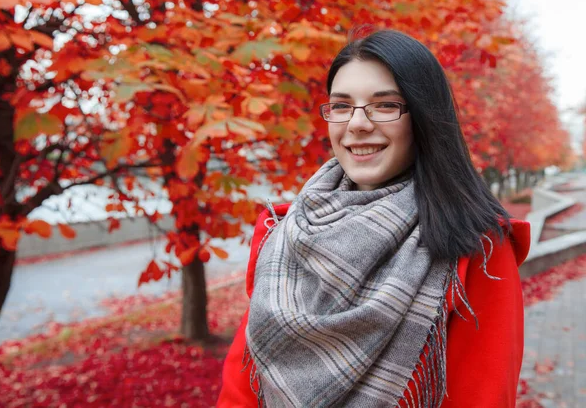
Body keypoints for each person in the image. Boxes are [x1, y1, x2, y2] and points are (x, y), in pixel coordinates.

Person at [216, 29, 531, 407]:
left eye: (385, 105)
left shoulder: (475, 246)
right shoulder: (283, 234)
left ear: (424, 118)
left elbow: (483, 398)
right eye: (342, 106)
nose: (357, 124)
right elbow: (241, 390)